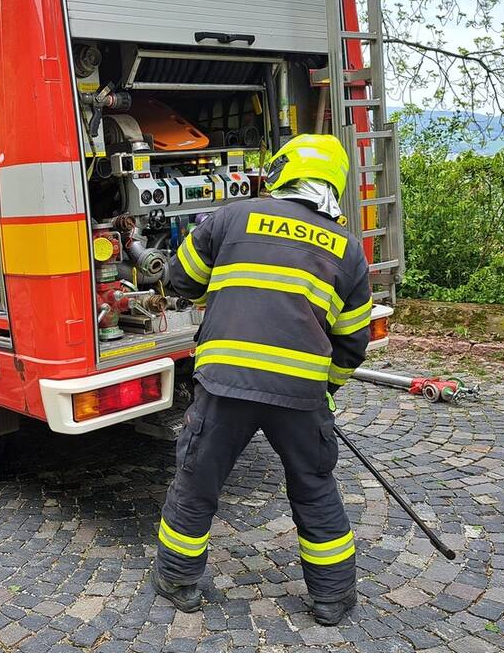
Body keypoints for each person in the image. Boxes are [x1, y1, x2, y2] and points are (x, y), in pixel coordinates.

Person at [152, 134, 372, 626]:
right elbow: (352, 343)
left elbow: (182, 280)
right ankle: (332, 600)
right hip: (300, 395)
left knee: (197, 482)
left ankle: (177, 580)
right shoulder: (348, 250)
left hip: (225, 384)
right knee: (314, 488)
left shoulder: (232, 217)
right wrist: (325, 391)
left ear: (282, 172)